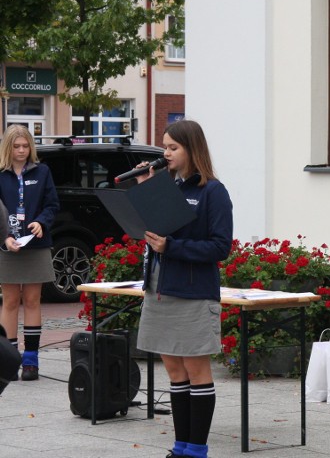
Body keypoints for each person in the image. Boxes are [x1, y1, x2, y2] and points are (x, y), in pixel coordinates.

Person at [135, 120, 234, 458]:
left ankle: (197, 450)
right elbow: (155, 231)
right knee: (175, 373)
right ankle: (181, 447)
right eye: (164, 147)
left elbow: (220, 247)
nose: (165, 154)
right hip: (160, 288)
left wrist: (172, 247)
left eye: (173, 148)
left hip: (193, 293)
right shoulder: (168, 188)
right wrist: (146, 189)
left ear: (192, 150)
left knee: (196, 372)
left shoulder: (213, 192)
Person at [0, 125, 59, 382]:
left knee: (33, 300)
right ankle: (9, 359)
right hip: (7, 245)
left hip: (36, 244)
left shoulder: (42, 171)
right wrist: (4, 237)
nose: (22, 151)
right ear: (8, 148)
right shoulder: (0, 174)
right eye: (17, 146)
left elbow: (52, 204)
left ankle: (31, 361)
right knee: (10, 300)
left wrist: (42, 222)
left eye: (25, 146)